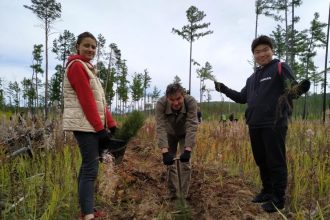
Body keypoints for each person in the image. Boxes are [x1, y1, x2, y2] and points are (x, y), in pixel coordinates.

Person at [214, 35, 310, 213]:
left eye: (265, 50)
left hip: (274, 123)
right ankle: (266, 191)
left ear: (272, 50)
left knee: (275, 161)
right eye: (257, 52)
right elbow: (242, 98)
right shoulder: (252, 78)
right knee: (261, 160)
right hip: (254, 124)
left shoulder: (280, 67)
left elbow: (292, 90)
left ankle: (278, 199)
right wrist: (224, 89)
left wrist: (300, 88)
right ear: (254, 55)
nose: (262, 54)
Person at [62, 31, 117, 220]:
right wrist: (100, 129)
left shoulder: (88, 68)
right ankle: (87, 215)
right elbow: (86, 101)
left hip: (90, 125)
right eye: (86, 45)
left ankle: (86, 210)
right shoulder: (76, 66)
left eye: (94, 47)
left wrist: (112, 124)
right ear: (77, 46)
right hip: (85, 126)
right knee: (91, 168)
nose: (91, 49)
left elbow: (101, 101)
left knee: (87, 167)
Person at [155, 83, 198, 200]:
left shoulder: (191, 102)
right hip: (170, 134)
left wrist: (188, 150)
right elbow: (160, 127)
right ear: (167, 98)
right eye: (171, 100)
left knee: (186, 164)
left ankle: (183, 196)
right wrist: (165, 152)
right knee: (170, 164)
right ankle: (174, 194)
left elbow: (192, 125)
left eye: (178, 99)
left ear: (183, 96)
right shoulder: (160, 104)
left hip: (185, 134)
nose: (175, 103)